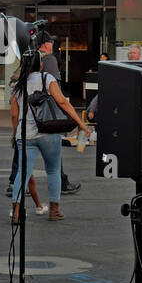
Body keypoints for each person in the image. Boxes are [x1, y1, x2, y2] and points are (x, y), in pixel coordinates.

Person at [10, 51, 89, 222]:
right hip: (49, 131)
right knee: (53, 170)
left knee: (23, 172)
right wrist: (80, 123)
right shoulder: (47, 79)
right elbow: (62, 102)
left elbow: (14, 115)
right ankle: (54, 210)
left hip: (26, 134)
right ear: (40, 64)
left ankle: (16, 212)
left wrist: (16, 134)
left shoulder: (18, 84)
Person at [38, 33, 81, 195]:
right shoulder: (49, 60)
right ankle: (61, 186)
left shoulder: (29, 58)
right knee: (54, 154)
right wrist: (76, 119)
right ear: (47, 44)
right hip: (48, 115)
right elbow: (57, 95)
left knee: (25, 155)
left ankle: (15, 183)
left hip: (31, 116)